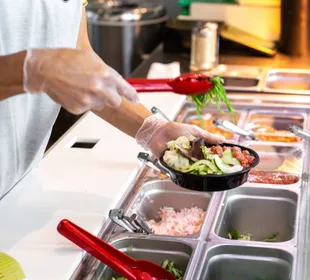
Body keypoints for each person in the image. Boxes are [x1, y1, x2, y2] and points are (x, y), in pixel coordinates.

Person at [0, 1, 224, 199]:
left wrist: (152, 129)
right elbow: (48, 66)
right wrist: (32, 70)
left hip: (21, 180)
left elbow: (78, 50)